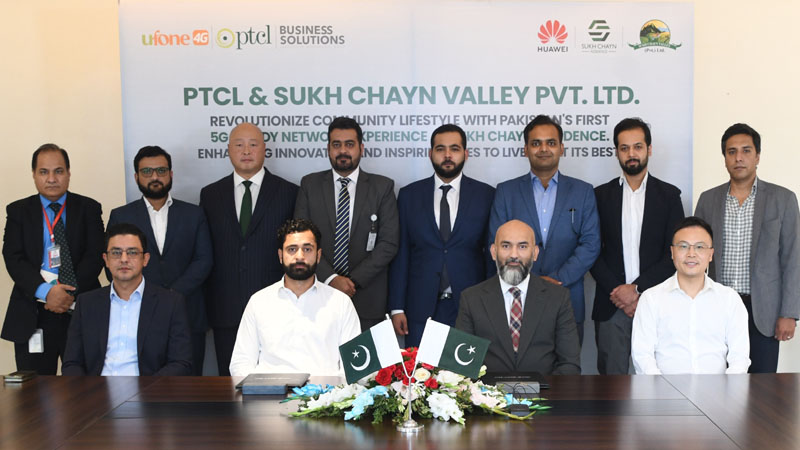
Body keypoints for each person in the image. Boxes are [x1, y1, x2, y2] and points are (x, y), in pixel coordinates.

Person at [695, 123, 800, 373]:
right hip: (718, 308)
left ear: (757, 156)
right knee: (717, 383)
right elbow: (696, 258)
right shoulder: (708, 200)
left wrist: (789, 313)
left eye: (746, 150)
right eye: (731, 152)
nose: (738, 158)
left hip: (763, 311)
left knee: (762, 386)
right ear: (724, 158)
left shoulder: (783, 199)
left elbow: (793, 258)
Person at [489, 115, 600, 343]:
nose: (543, 149)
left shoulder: (583, 191)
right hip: (517, 297)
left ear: (561, 148)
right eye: (536, 143)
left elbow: (591, 244)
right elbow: (497, 242)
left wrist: (557, 279)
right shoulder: (506, 192)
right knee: (520, 363)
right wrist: (531, 283)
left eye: (550, 143)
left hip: (568, 296)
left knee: (568, 363)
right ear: (525, 150)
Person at [200, 122, 298, 375]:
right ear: (228, 150)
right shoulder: (210, 194)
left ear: (264, 149)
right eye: (239, 145)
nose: (246, 151)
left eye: (253, 144)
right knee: (230, 383)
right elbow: (206, 252)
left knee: (280, 381)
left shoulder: (288, 192)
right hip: (225, 308)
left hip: (277, 307)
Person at [590, 118, 684, 374]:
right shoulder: (599, 196)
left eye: (638, 147)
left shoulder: (669, 196)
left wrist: (637, 289)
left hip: (657, 303)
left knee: (659, 383)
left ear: (649, 149)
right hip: (611, 305)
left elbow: (674, 253)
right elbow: (591, 250)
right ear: (616, 152)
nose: (631, 154)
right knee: (611, 388)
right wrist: (620, 293)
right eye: (624, 148)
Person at [108, 146, 212, 375]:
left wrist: (171, 295)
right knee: (144, 384)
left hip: (187, 312)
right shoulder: (121, 216)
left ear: (171, 174)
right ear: (136, 177)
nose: (155, 177)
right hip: (139, 312)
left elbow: (203, 260)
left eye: (161, 170)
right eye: (147, 171)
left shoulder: (194, 214)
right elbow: (114, 265)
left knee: (190, 385)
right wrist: (151, 296)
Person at [1, 144, 104, 375]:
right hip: (33, 311)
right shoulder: (18, 211)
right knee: (34, 389)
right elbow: (13, 257)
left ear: (68, 173)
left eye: (58, 171)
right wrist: (47, 292)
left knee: (85, 386)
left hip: (78, 307)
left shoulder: (89, 208)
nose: (51, 179)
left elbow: (95, 255)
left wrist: (67, 293)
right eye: (43, 172)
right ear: (34, 175)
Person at [388, 124, 494, 347]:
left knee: (468, 371)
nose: (447, 155)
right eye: (440, 149)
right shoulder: (409, 196)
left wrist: (490, 306)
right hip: (419, 308)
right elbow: (401, 253)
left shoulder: (486, 195)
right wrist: (397, 307)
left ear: (466, 153)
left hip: (470, 306)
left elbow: (490, 256)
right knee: (420, 369)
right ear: (430, 153)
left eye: (454, 149)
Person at [294, 117, 399, 331]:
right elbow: (301, 240)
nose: (343, 151)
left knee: (366, 354)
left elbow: (388, 244)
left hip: (367, 298)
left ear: (361, 148)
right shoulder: (310, 185)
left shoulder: (382, 187)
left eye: (349, 144)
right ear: (328, 149)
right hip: (318, 296)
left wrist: (352, 281)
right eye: (336, 144)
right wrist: (332, 279)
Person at [229, 218, 361, 376]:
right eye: (292, 249)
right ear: (280, 255)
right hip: (269, 391)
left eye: (307, 249)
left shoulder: (341, 303)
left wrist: (326, 390)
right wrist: (261, 388)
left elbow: (353, 367)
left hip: (324, 391)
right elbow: (240, 363)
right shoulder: (259, 302)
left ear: (318, 255)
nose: (300, 256)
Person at [62, 223, 192, 375]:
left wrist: (149, 388)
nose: (124, 259)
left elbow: (181, 363)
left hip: (149, 387)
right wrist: (88, 389)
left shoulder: (170, 303)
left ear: (145, 259)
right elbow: (72, 363)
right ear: (106, 259)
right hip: (97, 388)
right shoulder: (86, 303)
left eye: (132, 252)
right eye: (116, 253)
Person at [456, 220, 580, 375]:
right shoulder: (471, 299)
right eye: (506, 246)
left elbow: (569, 364)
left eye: (522, 246)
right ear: (494, 252)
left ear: (535, 253)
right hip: (487, 390)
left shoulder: (558, 298)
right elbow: (461, 365)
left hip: (545, 389)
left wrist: (545, 390)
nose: (514, 255)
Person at [631, 217, 750, 375]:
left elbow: (739, 357)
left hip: (717, 389)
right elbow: (642, 355)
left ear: (710, 254)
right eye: (683, 246)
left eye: (700, 247)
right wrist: (660, 387)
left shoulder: (729, 299)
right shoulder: (651, 299)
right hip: (664, 388)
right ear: (672, 252)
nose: (691, 254)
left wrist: (726, 388)